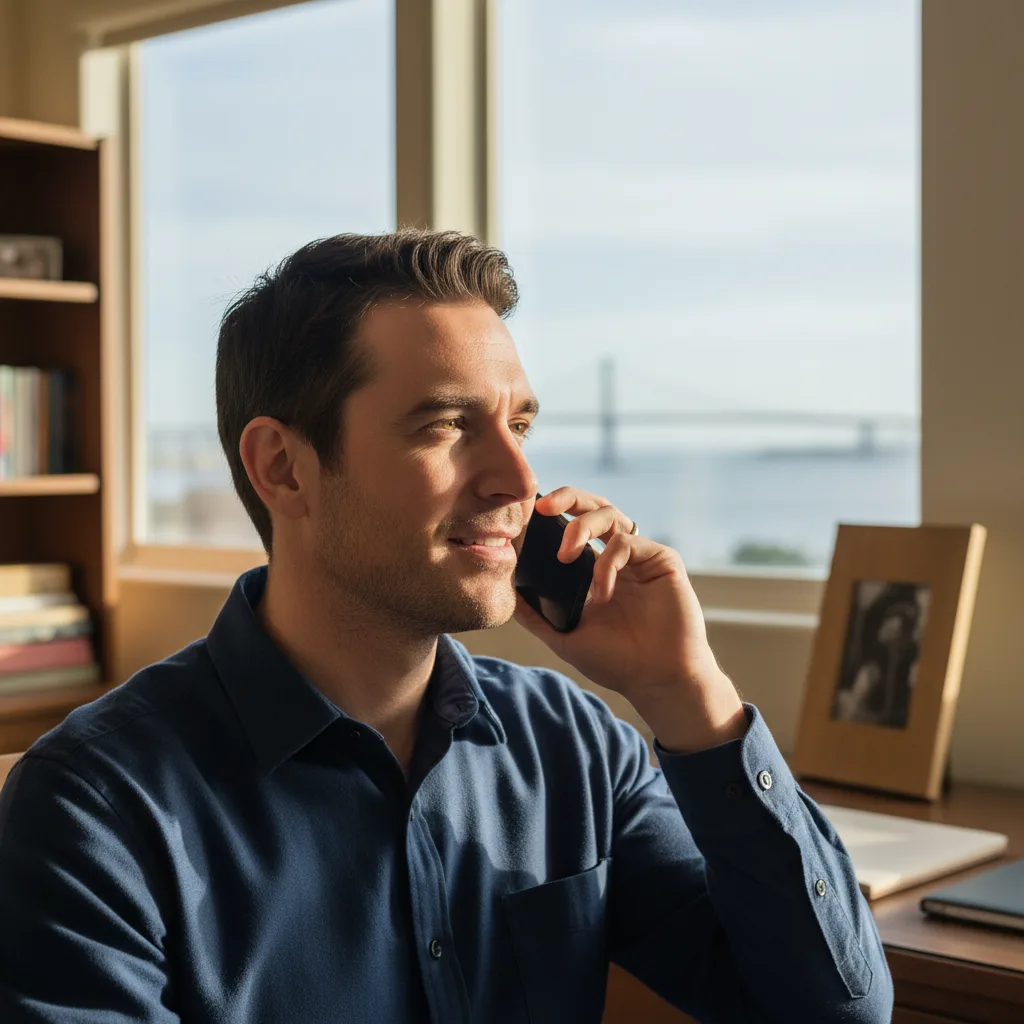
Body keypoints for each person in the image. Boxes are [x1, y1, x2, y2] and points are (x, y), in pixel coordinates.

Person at [0, 231, 892, 1023]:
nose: (518, 480)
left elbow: (835, 1010)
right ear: (283, 468)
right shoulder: (95, 812)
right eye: (446, 425)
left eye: (519, 424)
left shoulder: (575, 746)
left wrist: (691, 699)